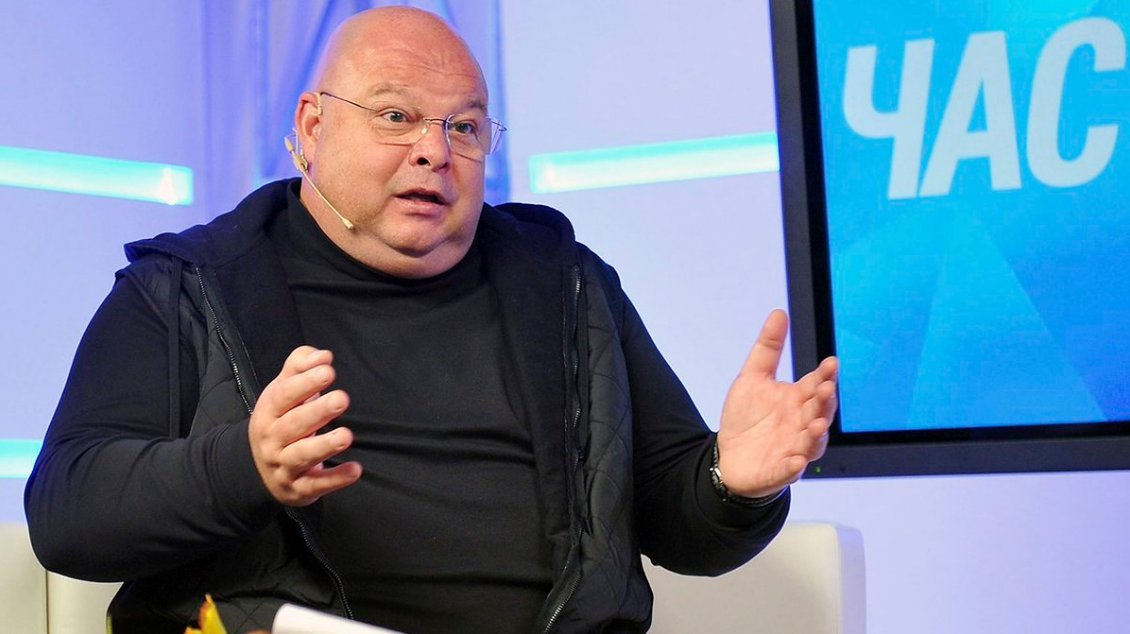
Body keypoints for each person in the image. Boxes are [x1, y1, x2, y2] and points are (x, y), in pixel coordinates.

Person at [24, 7, 838, 634]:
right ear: (312, 126)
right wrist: (246, 465)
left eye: (464, 127)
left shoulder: (568, 287)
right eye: (395, 117)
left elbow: (682, 527)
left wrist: (734, 481)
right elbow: (67, 516)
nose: (434, 151)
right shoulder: (186, 289)